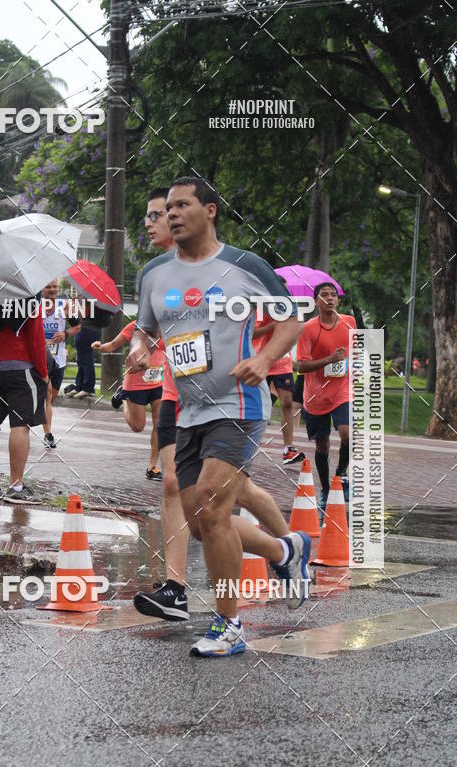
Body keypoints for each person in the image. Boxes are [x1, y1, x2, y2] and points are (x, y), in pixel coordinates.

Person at [128, 176, 311, 658]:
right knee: (206, 518)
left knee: (211, 499)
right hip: (187, 410)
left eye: (182, 205)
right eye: (167, 208)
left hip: (239, 404)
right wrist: (139, 351)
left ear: (209, 210)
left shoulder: (244, 266)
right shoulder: (153, 274)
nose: (171, 214)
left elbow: (291, 318)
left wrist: (267, 359)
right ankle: (285, 551)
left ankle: (228, 626)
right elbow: (144, 331)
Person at [0, 298, 48, 503]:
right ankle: (16, 486)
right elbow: (36, 338)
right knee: (20, 424)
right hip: (18, 365)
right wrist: (43, 372)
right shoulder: (27, 294)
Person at [296, 282, 356, 515]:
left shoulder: (349, 322)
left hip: (342, 390)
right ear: (316, 302)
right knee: (322, 445)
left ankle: (340, 476)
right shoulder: (308, 328)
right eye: (324, 295)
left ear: (338, 301)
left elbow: (357, 350)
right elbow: (300, 366)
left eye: (333, 295)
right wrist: (329, 360)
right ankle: (325, 489)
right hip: (315, 395)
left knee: (348, 435)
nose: (330, 298)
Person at [92, 319, 165, 479]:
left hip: (158, 382)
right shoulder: (135, 326)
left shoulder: (168, 325)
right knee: (137, 427)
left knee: (159, 423)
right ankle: (122, 397)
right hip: (135, 383)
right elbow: (112, 345)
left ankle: (152, 466)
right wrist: (99, 346)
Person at [253, 312, 304, 465]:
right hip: (259, 359)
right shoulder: (257, 304)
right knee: (255, 404)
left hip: (282, 360)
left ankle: (288, 449)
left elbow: (295, 328)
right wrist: (272, 326)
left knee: (287, 402)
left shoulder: (286, 306)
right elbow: (251, 333)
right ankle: (247, 445)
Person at [41, 281, 81, 448]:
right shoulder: (34, 307)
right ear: (41, 289)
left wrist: (65, 334)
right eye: (48, 287)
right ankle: (48, 434)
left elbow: (77, 326)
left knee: (51, 397)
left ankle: (36, 417)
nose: (52, 290)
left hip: (58, 360)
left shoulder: (64, 306)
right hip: (40, 358)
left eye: (55, 287)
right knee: (48, 394)